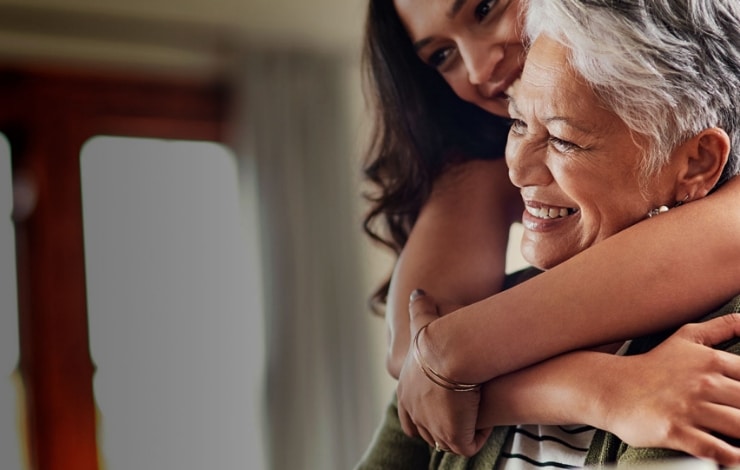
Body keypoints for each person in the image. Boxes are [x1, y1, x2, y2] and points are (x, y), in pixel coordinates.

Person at [357, 0, 740, 467]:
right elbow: (418, 359)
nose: (479, 69)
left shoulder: (717, 341)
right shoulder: (481, 166)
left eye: (484, 8)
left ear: (697, 162)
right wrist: (597, 390)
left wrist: (450, 363)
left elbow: (439, 357)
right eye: (440, 55)